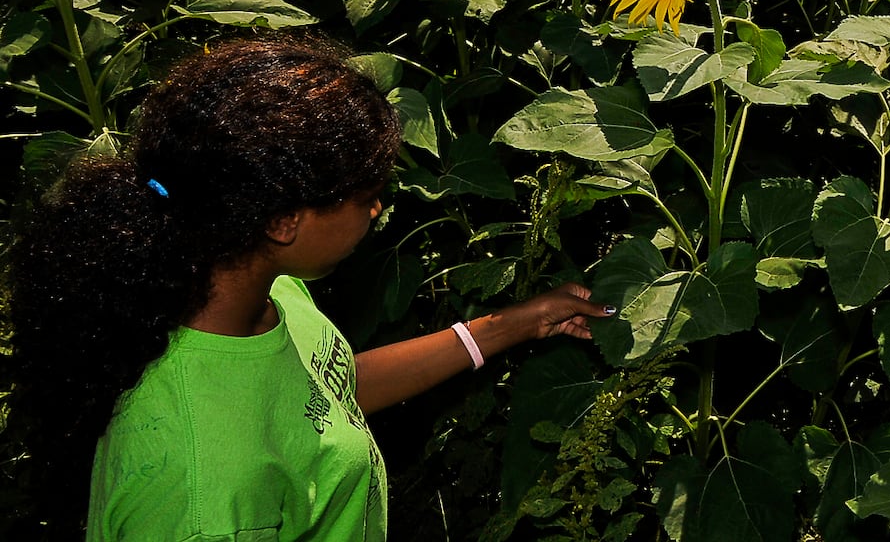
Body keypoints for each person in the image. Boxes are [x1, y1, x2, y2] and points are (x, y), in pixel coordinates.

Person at [8, 36, 615, 540]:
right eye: (363, 196)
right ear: (282, 221)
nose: (378, 209)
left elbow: (322, 391)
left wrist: (509, 325)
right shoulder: (199, 493)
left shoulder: (254, 290)